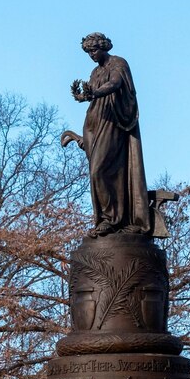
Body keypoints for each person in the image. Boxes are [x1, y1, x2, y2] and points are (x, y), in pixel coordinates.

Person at [71, 32, 150, 236]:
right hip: (93, 121)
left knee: (99, 170)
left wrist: (94, 93)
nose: (91, 55)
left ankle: (111, 219)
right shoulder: (95, 72)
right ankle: (105, 219)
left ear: (104, 47)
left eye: (94, 50)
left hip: (113, 122)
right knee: (95, 172)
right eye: (88, 52)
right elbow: (92, 93)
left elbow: (115, 83)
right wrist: (83, 96)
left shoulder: (118, 63)